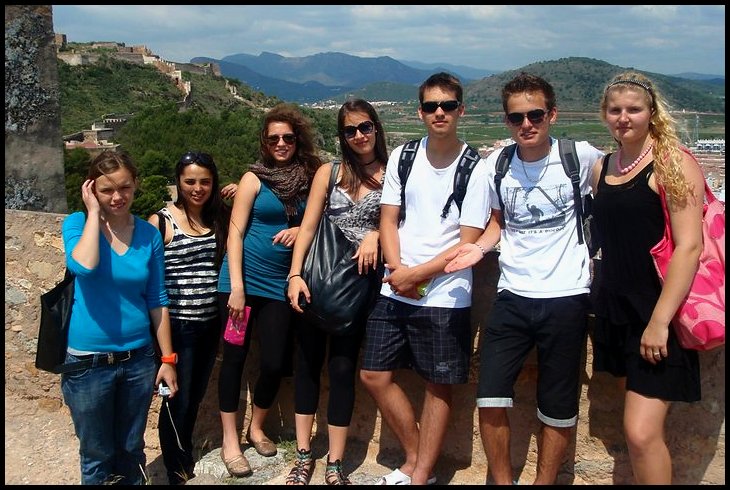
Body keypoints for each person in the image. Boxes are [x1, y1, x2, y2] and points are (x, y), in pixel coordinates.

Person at [444, 72, 604, 484]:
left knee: (558, 406)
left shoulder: (580, 156)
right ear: (507, 121)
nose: (526, 124)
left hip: (567, 296)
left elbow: (623, 186)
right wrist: (479, 248)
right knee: (489, 397)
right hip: (512, 295)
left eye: (535, 115)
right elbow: (497, 222)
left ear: (552, 114)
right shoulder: (496, 165)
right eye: (517, 117)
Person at [359, 72, 490, 486]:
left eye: (447, 105)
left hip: (445, 293)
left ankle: (420, 477)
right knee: (373, 374)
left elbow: (467, 243)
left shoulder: (475, 168)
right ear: (420, 112)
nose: (439, 113)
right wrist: (399, 272)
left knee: (438, 385)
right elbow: (388, 219)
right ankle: (417, 459)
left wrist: (415, 276)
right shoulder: (404, 156)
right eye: (432, 106)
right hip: (396, 285)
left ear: (460, 110)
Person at [590, 72, 704, 484]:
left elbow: (689, 247)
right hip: (616, 309)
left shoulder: (672, 162)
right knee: (635, 430)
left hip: (656, 311)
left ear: (652, 113)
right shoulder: (603, 167)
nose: (624, 118)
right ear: (604, 114)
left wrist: (659, 322)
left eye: (634, 109)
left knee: (641, 433)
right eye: (615, 110)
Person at [284, 99, 388, 485]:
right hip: (316, 280)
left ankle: (335, 461)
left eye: (365, 127)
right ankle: (303, 455)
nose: (359, 135)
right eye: (350, 130)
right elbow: (308, 226)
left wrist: (376, 235)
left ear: (376, 127)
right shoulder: (329, 173)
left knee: (343, 371)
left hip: (357, 288)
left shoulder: (393, 174)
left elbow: (401, 224)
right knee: (307, 366)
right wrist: (295, 274)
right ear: (342, 135)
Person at [217, 103, 323, 477]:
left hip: (281, 284)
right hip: (240, 286)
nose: (281, 143)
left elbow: (320, 219)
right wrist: (237, 287)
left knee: (276, 361)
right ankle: (231, 442)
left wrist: (298, 230)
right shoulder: (252, 180)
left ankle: (257, 426)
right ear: (264, 141)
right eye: (273, 137)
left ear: (298, 139)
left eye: (287, 137)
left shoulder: (310, 178)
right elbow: (235, 234)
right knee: (234, 359)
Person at [60, 150, 178, 485]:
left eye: (124, 187)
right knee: (96, 454)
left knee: (131, 449)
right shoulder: (77, 224)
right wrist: (93, 214)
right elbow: (83, 266)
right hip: (87, 363)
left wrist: (167, 359)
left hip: (137, 360)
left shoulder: (148, 235)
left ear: (136, 184)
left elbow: (157, 299)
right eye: (106, 190)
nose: (117, 197)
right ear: (91, 189)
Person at [147, 151, 230, 485]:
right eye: (190, 181)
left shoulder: (216, 218)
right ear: (179, 182)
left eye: (205, 182)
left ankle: (182, 457)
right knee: (175, 399)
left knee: (194, 397)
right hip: (176, 327)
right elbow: (150, 280)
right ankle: (177, 470)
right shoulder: (162, 221)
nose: (198, 188)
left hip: (209, 323)